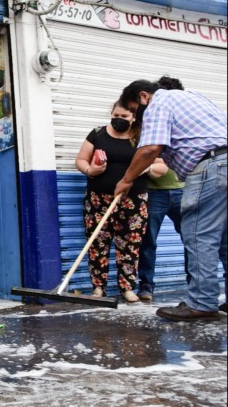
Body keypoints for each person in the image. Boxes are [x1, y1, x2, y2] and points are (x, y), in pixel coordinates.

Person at [116, 78, 227, 322]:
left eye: (134, 110)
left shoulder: (159, 102)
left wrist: (126, 180)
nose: (137, 117)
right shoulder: (194, 96)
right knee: (225, 240)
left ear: (144, 96)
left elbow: (150, 148)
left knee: (199, 236)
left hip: (211, 168)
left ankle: (202, 304)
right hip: (223, 163)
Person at [74, 100, 159, 303]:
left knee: (130, 244)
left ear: (134, 117)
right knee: (97, 243)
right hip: (98, 199)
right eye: (116, 115)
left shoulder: (143, 137)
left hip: (133, 201)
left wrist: (145, 168)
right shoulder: (98, 134)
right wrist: (90, 170)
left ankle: (127, 288)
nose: (119, 119)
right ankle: (98, 288)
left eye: (124, 116)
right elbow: (80, 160)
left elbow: (161, 167)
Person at [136, 76, 190, 301]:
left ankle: (195, 286)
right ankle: (146, 286)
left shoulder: (181, 120)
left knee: (192, 241)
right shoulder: (148, 120)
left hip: (182, 189)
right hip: (154, 193)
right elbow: (144, 153)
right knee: (148, 241)